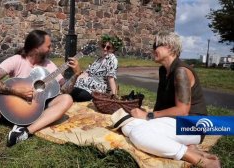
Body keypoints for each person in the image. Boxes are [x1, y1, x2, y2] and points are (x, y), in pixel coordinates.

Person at [0, 30, 81, 167]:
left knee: (66, 99)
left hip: (37, 111)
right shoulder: (16, 60)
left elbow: (65, 90)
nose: (51, 49)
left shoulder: (49, 65)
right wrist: (16, 91)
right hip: (11, 108)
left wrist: (76, 74)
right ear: (36, 47)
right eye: (48, 46)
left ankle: (24, 132)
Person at [111, 31, 220, 168]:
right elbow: (162, 106)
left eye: (156, 45)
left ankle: (200, 159)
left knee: (139, 133)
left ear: (169, 47)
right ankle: (186, 146)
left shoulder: (181, 71)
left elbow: (182, 111)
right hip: (173, 122)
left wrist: (148, 115)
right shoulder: (163, 70)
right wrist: (146, 117)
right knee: (127, 125)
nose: (153, 50)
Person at [62, 34, 121, 102]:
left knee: (73, 92)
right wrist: (74, 79)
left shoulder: (112, 59)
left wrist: (114, 96)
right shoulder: (99, 59)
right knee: (68, 88)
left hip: (95, 91)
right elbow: (87, 73)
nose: (105, 48)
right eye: (103, 46)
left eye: (108, 47)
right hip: (85, 86)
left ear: (113, 49)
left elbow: (111, 78)